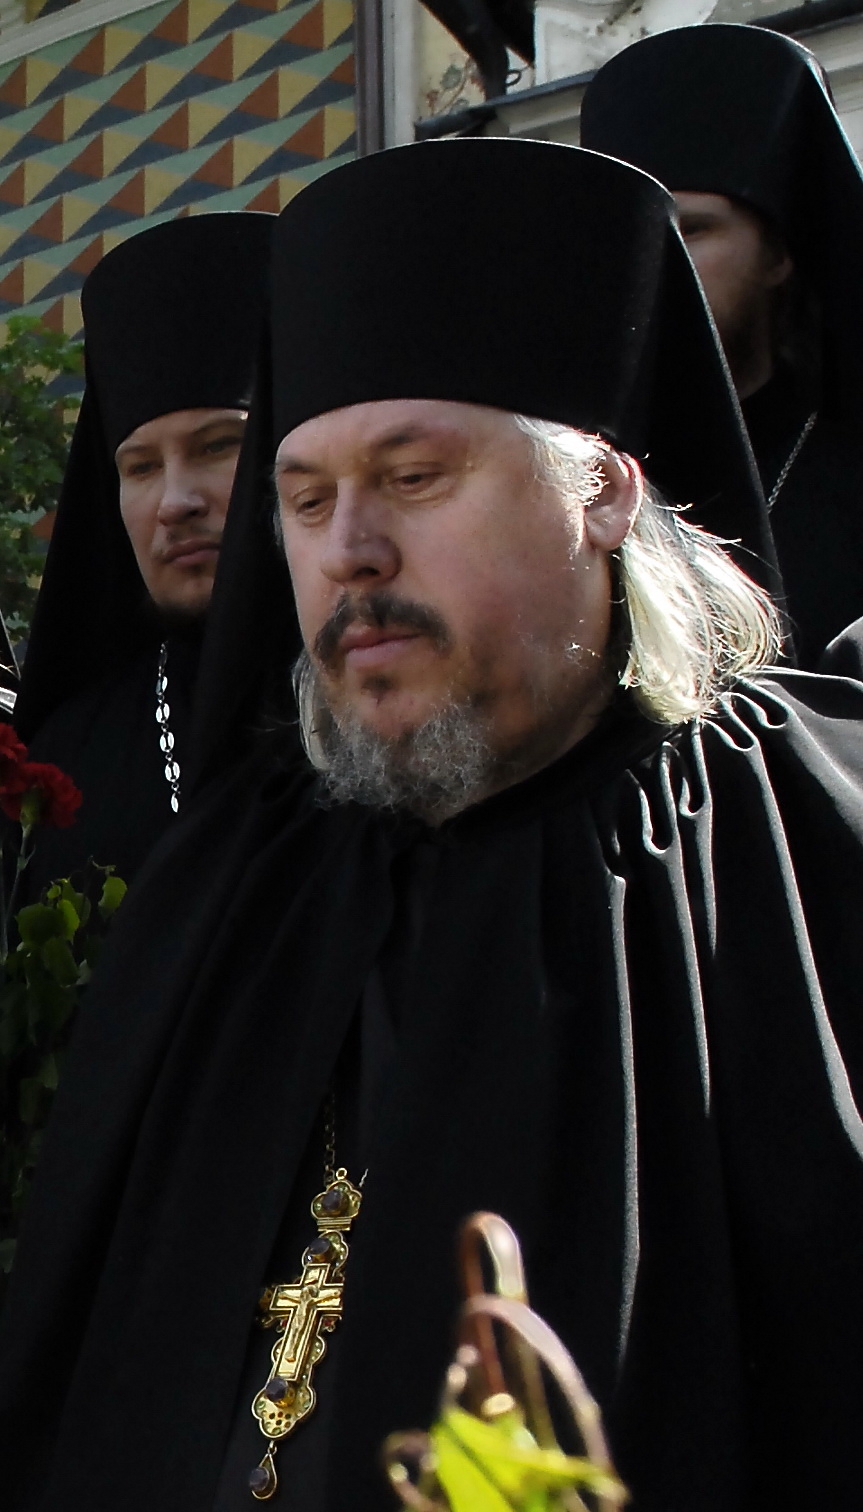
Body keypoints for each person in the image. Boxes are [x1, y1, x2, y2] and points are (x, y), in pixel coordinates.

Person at [2, 139, 863, 1512]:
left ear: (602, 492)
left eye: (412, 478)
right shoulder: (235, 876)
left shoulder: (789, 837)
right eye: (304, 499)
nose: (348, 551)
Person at [580, 23, 863, 668]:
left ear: (778, 254)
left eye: (694, 230)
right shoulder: (577, 484)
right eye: (638, 236)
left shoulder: (847, 467)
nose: (664, 262)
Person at [11, 212, 273, 894]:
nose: (174, 502)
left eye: (218, 446)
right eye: (141, 466)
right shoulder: (66, 761)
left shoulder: (404, 716)